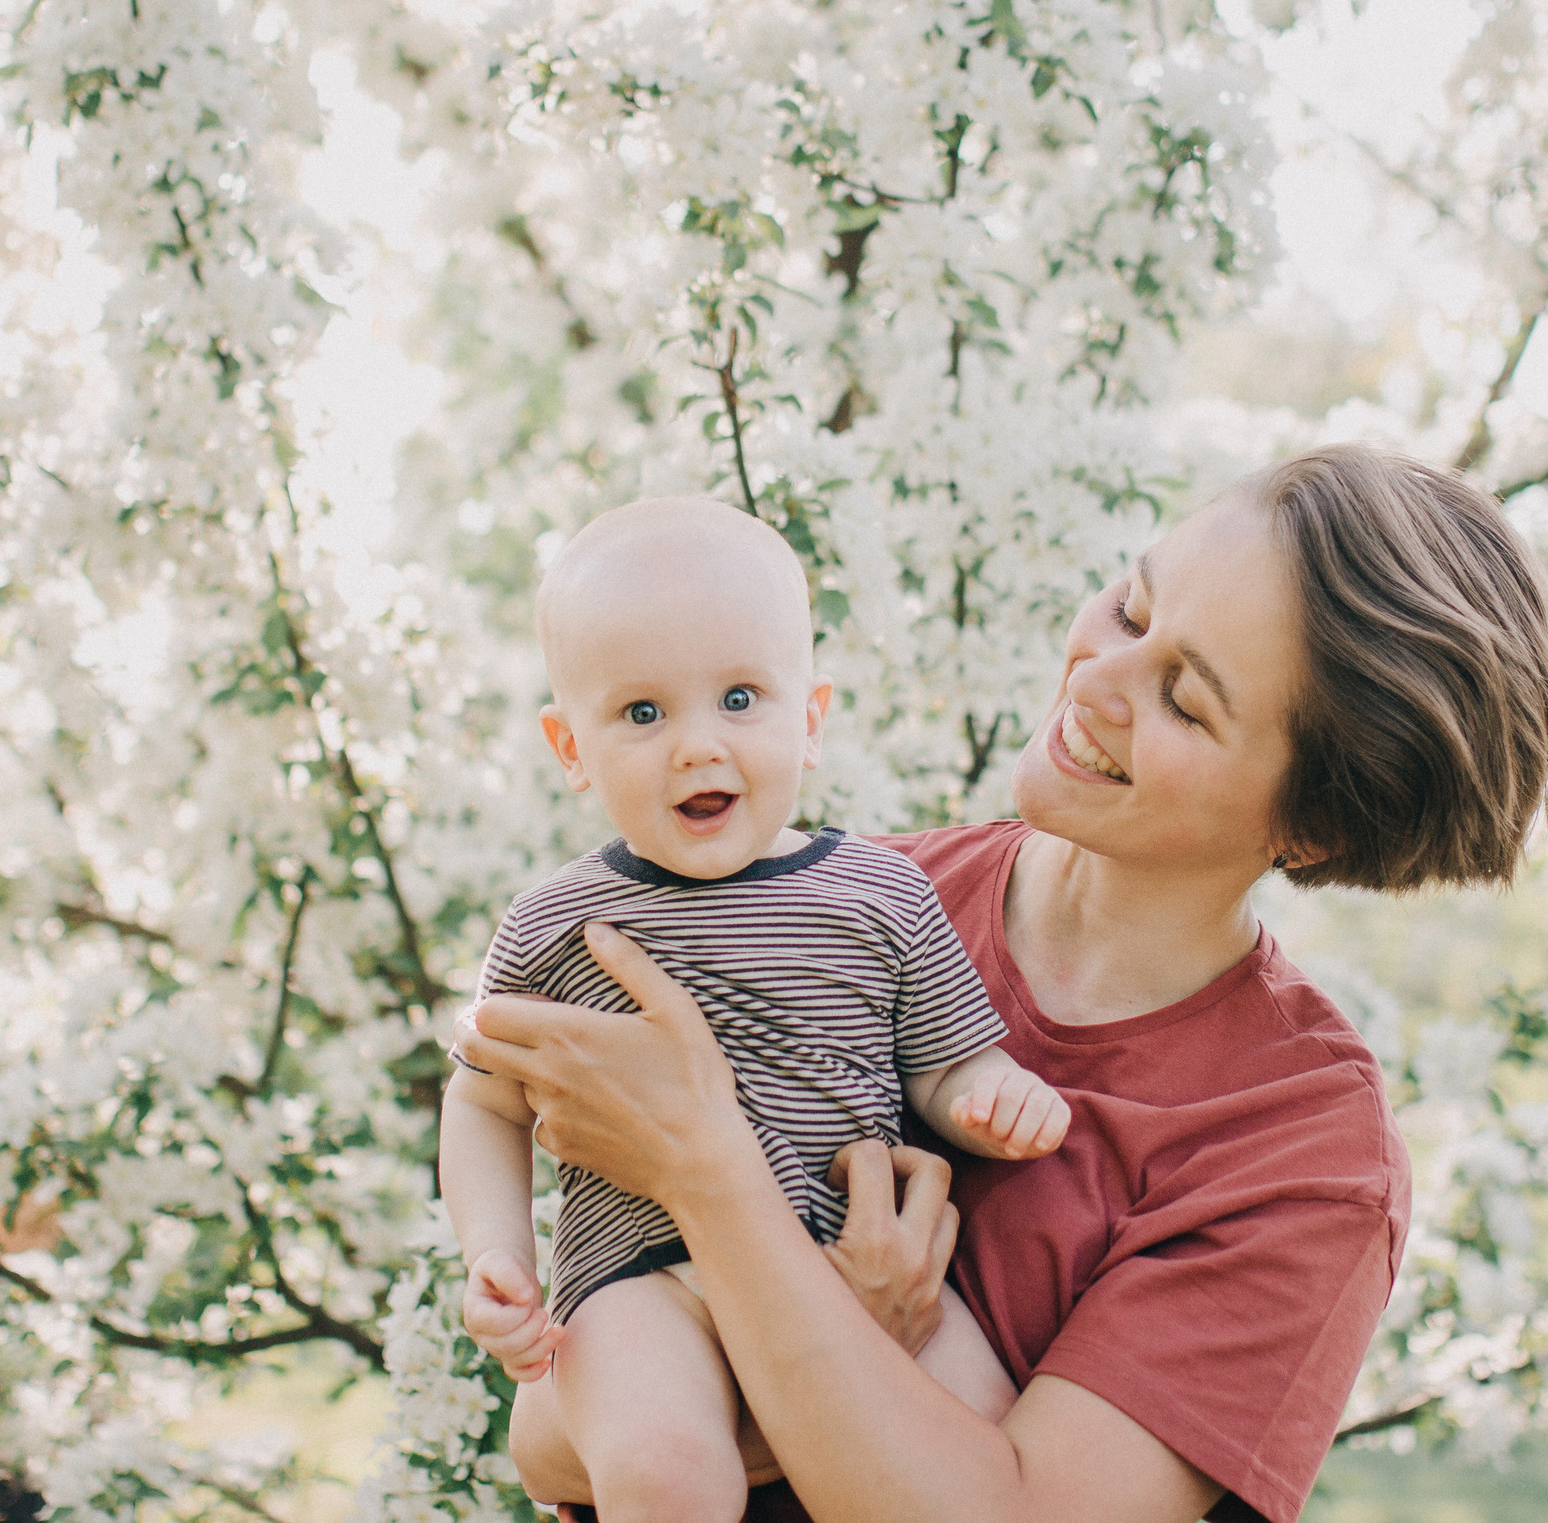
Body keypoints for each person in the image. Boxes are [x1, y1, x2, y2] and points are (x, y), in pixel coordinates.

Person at [456, 444, 1548, 1523]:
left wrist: (715, 1181)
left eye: (1184, 697)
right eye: (1132, 606)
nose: (1098, 676)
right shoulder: (845, 903)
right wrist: (831, 1332)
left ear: (1311, 825)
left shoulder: (1300, 1152)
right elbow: (550, 1433)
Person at [439, 497, 1076, 1521]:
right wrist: (495, 1250)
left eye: (740, 697)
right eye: (642, 713)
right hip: (645, 1281)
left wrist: (992, 1094)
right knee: (664, 1472)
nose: (697, 745)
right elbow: (484, 1102)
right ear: (570, 746)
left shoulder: (881, 893)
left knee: (979, 1443)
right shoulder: (553, 922)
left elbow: (943, 1063)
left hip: (847, 1262)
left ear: (810, 718)